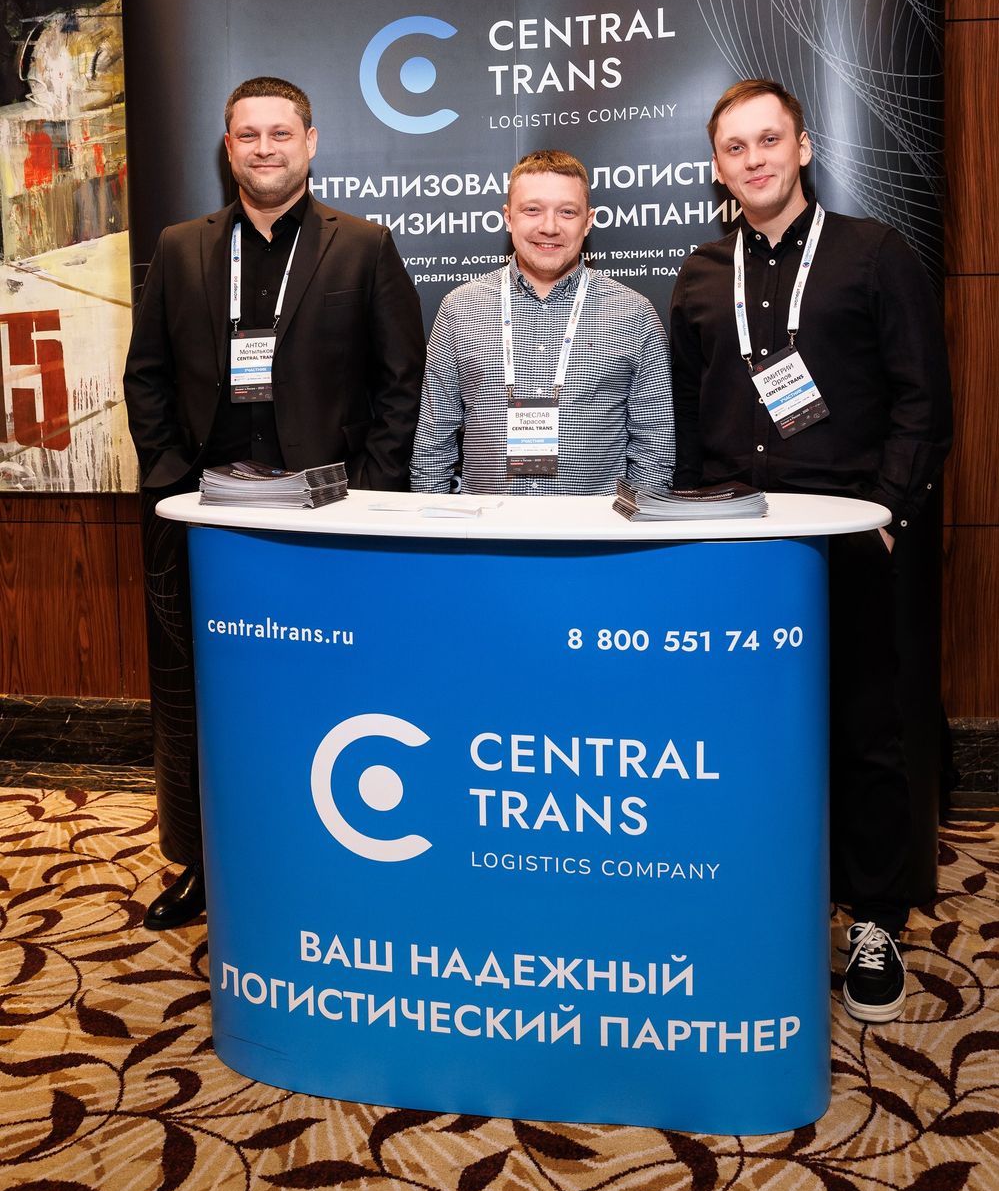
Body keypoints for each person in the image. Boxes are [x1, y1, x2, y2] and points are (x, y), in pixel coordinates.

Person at [670, 79, 952, 1023]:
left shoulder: (874, 253)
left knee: (865, 730)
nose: (753, 159)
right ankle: (759, 904)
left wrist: (889, 508)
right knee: (743, 739)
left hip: (850, 538)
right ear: (718, 168)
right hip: (738, 545)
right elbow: (686, 415)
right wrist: (687, 523)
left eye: (768, 140)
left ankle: (874, 918)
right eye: (735, 147)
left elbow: (923, 400)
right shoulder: (700, 273)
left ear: (803, 147)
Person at [124, 76, 425, 929]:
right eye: (248, 135)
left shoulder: (362, 245)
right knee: (200, 703)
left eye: (280, 132)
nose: (265, 148)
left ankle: (324, 859)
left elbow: (400, 383)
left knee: (323, 693)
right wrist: (174, 487)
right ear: (229, 149)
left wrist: (364, 501)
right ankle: (203, 865)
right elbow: (147, 376)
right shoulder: (181, 247)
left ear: (311, 142)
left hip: (323, 520)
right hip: (204, 517)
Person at [410, 149, 674, 496]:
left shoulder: (634, 313)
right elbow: (433, 442)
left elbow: (655, 447)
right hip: (487, 526)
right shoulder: (459, 308)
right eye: (532, 209)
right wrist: (431, 523)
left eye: (567, 212)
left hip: (593, 528)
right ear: (508, 217)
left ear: (588, 221)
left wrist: (631, 521)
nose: (549, 227)